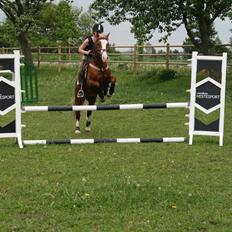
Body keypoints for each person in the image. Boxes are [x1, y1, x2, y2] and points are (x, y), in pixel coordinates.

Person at [76, 23, 104, 98]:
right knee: (81, 70)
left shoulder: (100, 40)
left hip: (97, 60)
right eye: (97, 32)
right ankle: (80, 88)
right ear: (94, 32)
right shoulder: (88, 40)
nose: (98, 33)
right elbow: (79, 49)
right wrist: (86, 52)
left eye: (100, 32)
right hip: (87, 58)